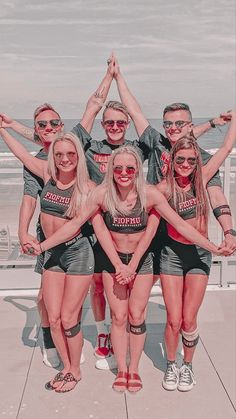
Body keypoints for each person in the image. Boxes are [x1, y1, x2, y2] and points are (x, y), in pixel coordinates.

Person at [27, 145, 227, 393]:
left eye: (130, 168)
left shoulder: (150, 194)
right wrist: (42, 246)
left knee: (136, 316)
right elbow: (78, 225)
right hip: (113, 262)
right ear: (111, 169)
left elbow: (180, 226)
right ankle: (122, 369)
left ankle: (134, 370)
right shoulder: (102, 195)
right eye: (118, 168)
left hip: (141, 261)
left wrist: (213, 247)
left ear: (137, 171)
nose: (124, 173)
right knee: (118, 317)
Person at [0, 125, 95, 393]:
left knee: (68, 318)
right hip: (53, 253)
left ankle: (74, 370)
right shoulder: (46, 175)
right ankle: (66, 366)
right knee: (52, 318)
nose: (65, 159)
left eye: (71, 154)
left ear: (78, 155)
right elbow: (22, 155)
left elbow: (72, 227)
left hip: (77, 253)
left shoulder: (87, 188)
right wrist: (3, 130)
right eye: (60, 154)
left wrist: (40, 246)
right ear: (53, 156)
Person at [113, 56, 236, 258]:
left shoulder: (201, 160)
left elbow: (216, 196)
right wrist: (118, 77)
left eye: (179, 124)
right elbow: (134, 112)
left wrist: (229, 232)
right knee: (140, 274)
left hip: (183, 227)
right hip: (153, 222)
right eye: (168, 124)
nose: (172, 129)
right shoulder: (157, 142)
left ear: (189, 126)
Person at [155, 111, 235, 391]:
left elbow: (226, 148)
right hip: (172, 256)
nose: (186, 164)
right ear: (172, 161)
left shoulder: (203, 179)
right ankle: (171, 364)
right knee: (173, 318)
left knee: (189, 318)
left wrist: (234, 118)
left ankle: (187, 366)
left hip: (199, 257)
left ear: (197, 161)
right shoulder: (163, 189)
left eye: (191, 160)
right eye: (180, 160)